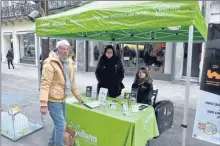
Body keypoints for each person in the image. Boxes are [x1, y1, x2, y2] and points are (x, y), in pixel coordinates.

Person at [40, 40, 83, 146]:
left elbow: (72, 83)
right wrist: (43, 104)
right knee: (61, 125)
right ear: (57, 49)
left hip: (62, 99)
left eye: (67, 49)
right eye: (62, 48)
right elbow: (45, 85)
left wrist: (78, 97)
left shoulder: (69, 63)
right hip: (53, 100)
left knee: (59, 124)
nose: (65, 51)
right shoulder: (50, 63)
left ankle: (51, 143)